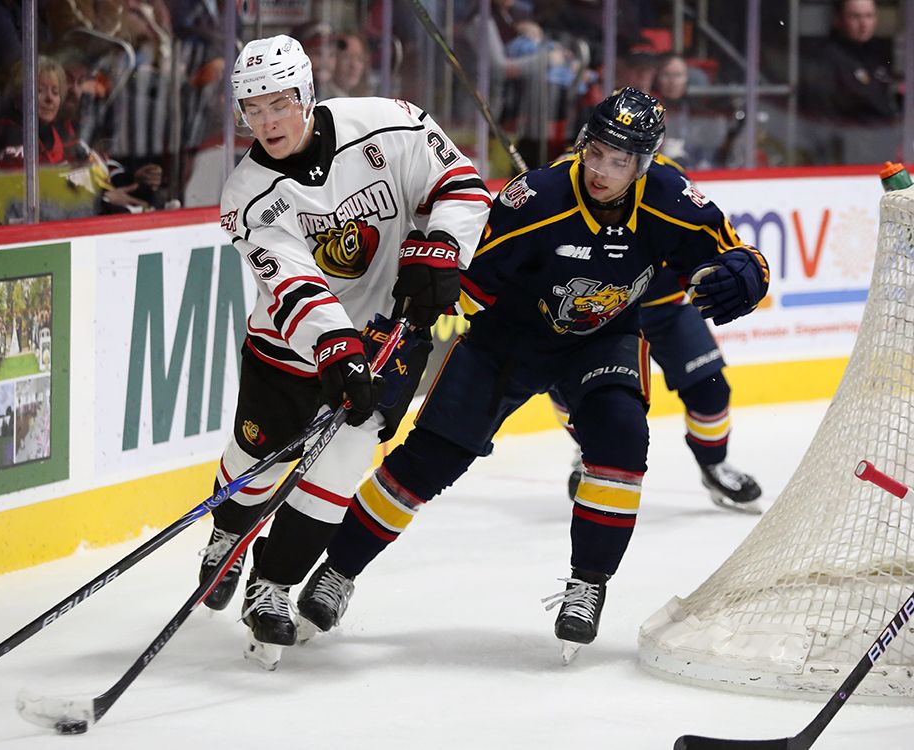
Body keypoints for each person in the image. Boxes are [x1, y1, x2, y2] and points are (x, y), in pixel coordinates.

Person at [297, 88, 770, 663]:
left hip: (603, 340)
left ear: (642, 165)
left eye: (619, 161)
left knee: (622, 440)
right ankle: (338, 571)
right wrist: (407, 332)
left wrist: (749, 273)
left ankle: (587, 584)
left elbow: (730, 252)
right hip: (507, 343)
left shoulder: (671, 197)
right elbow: (463, 286)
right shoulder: (537, 199)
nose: (601, 171)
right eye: (596, 152)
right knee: (427, 461)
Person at [204, 34, 491, 669]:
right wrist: (337, 346)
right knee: (258, 457)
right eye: (253, 108)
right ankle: (228, 530)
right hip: (290, 348)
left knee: (340, 465)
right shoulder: (246, 195)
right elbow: (292, 282)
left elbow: (461, 185)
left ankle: (272, 585)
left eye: (280, 103)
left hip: (388, 338)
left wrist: (442, 246)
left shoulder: (389, 124)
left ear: (307, 94)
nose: (268, 121)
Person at [550, 258, 763, 515]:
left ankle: (714, 463)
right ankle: (589, 452)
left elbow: (708, 241)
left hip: (666, 305)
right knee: (570, 386)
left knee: (711, 389)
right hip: (597, 312)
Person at [799, 0, 898, 124]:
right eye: (855, 17)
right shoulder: (827, 60)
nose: (864, 24)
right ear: (838, 19)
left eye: (869, 16)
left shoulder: (874, 55)